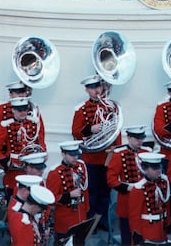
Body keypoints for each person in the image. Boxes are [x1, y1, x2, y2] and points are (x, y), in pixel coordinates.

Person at [72, 75, 122, 231]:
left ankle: (103, 220)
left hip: (107, 156)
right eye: (92, 88)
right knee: (91, 191)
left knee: (105, 192)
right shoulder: (82, 109)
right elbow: (75, 132)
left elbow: (116, 130)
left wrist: (116, 150)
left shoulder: (111, 108)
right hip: (91, 158)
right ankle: (90, 222)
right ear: (87, 90)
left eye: (98, 87)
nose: (96, 90)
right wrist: (90, 129)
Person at [0, 96, 46, 199]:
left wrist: (43, 153)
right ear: (13, 110)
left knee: (33, 198)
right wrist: (5, 161)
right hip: (14, 168)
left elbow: (41, 141)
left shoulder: (34, 123)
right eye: (19, 110)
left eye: (25, 109)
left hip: (32, 167)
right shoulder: (6, 125)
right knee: (14, 200)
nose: (23, 113)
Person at [107, 126, 151, 245]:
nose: (140, 141)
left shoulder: (147, 152)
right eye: (136, 139)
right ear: (129, 138)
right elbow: (111, 179)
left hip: (145, 199)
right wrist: (127, 188)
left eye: (141, 138)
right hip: (127, 198)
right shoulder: (119, 154)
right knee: (127, 235)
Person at [46, 140, 89, 243]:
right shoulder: (55, 172)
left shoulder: (81, 166)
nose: (75, 157)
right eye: (71, 155)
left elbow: (85, 190)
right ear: (63, 154)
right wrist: (69, 195)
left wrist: (86, 210)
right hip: (65, 220)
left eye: (77, 155)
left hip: (81, 216)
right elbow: (51, 198)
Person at [129, 152, 171, 245]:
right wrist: (138, 236)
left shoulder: (163, 182)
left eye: (159, 167)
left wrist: (168, 227)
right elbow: (134, 217)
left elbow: (166, 206)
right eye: (154, 168)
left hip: (162, 230)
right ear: (145, 169)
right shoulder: (138, 188)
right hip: (147, 232)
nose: (158, 171)